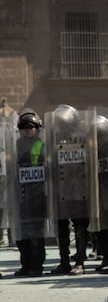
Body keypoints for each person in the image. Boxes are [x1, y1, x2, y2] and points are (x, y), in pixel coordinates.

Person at [14, 109, 47, 277]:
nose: (28, 131)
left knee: (36, 235)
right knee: (21, 235)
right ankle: (25, 265)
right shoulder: (16, 145)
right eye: (25, 128)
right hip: (21, 196)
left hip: (37, 196)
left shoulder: (41, 144)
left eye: (31, 127)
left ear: (37, 128)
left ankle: (36, 265)